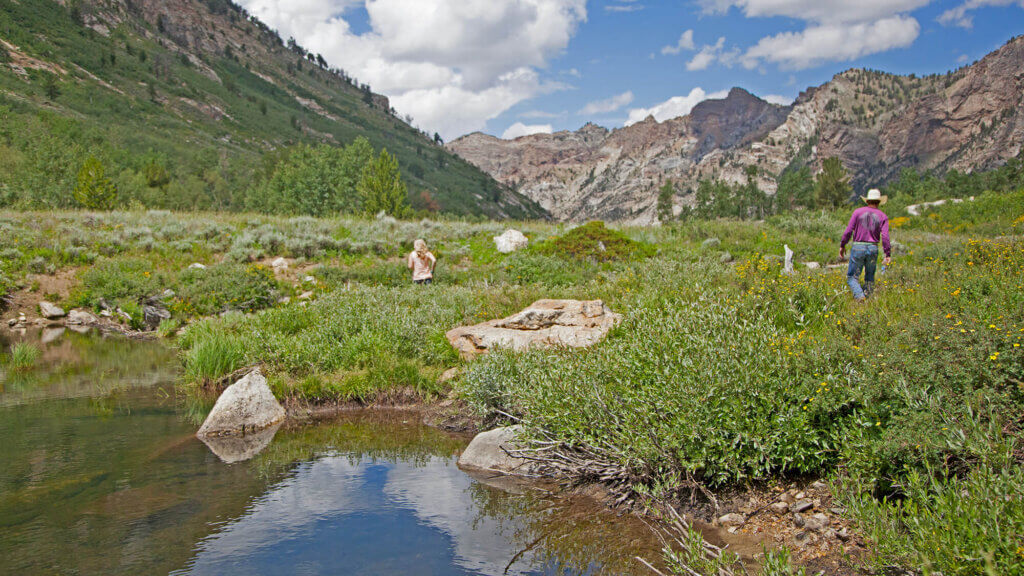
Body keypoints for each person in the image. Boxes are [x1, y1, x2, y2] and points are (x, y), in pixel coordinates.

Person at [839, 188, 891, 301]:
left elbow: (848, 231)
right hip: (873, 248)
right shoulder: (883, 216)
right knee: (870, 277)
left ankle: (860, 297)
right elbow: (885, 236)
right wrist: (887, 254)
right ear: (879, 202)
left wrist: (843, 245)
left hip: (858, 247)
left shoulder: (857, 212)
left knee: (852, 278)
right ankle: (867, 300)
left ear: (867, 201)